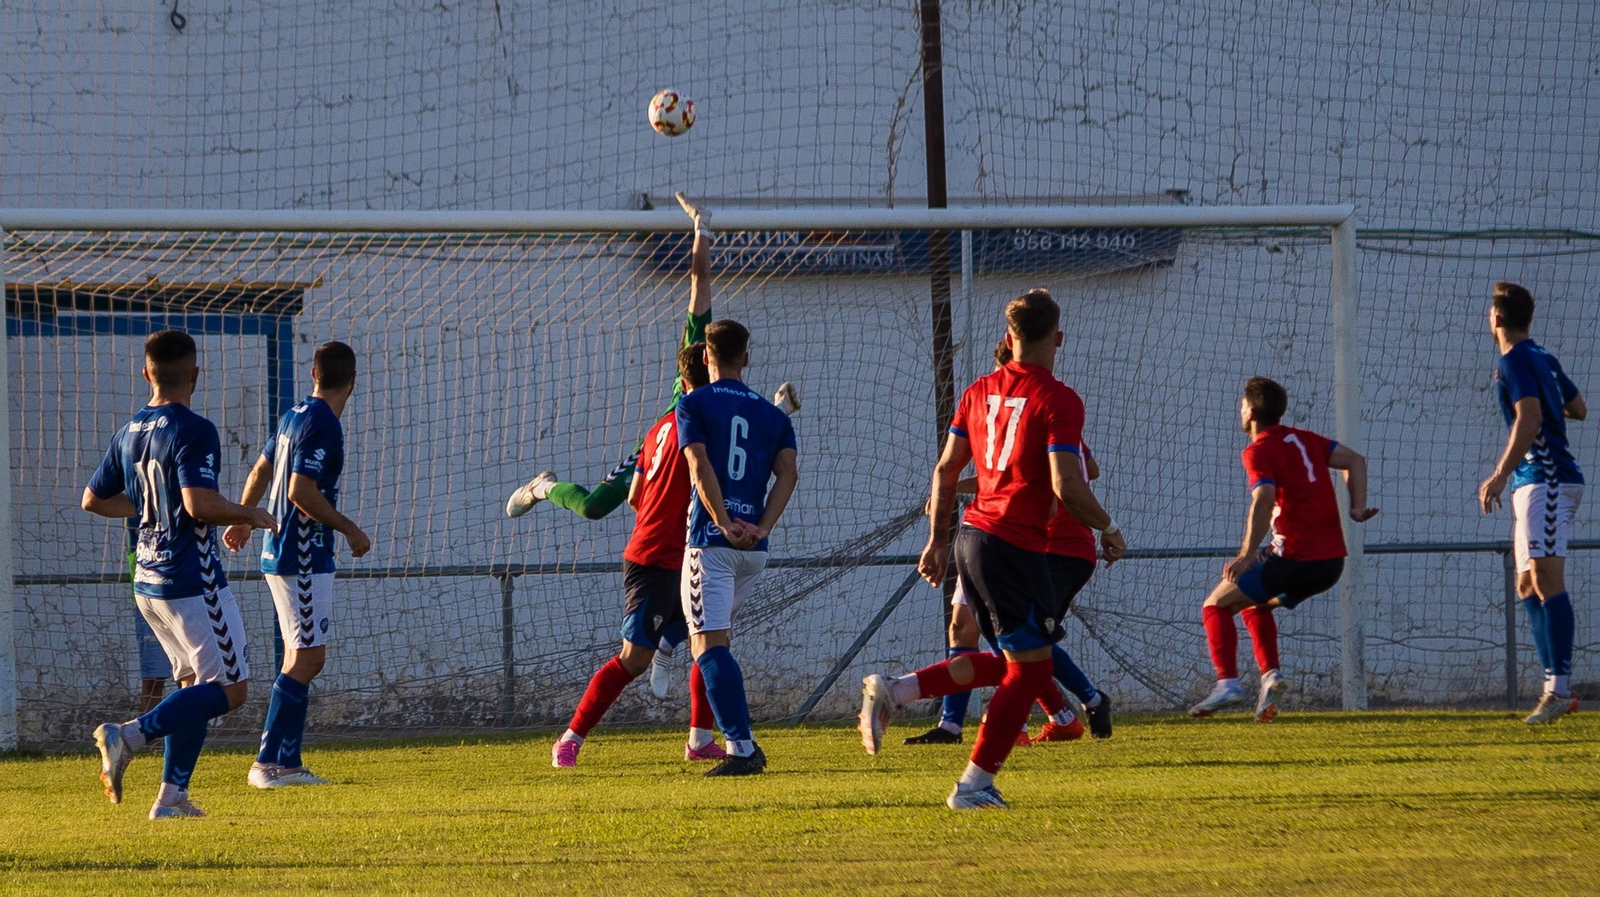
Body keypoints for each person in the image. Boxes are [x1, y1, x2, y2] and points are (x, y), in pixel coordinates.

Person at [859, 289, 1127, 810]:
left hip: (971, 538)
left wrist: (938, 541)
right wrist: (1109, 527)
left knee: (1013, 662)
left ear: (1009, 338)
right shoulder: (1060, 399)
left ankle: (897, 690)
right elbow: (1069, 483)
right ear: (1059, 339)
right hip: (1014, 546)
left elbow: (945, 472)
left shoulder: (979, 390)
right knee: (1028, 670)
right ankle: (974, 785)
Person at [551, 215, 727, 768]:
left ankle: (699, 739)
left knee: (712, 642)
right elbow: (698, 291)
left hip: (689, 547)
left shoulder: (706, 410)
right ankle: (571, 738)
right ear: (701, 365)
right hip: (656, 556)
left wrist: (702, 237)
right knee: (633, 657)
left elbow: (701, 285)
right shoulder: (684, 416)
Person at [84, 330, 277, 819]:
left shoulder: (128, 431)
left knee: (193, 690)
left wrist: (151, 508)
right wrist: (249, 515)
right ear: (195, 374)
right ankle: (126, 735)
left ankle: (172, 798)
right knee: (231, 690)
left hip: (148, 582)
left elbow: (93, 499)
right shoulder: (194, 428)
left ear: (146, 373)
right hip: (192, 582)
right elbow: (198, 504)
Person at [905, 338, 1110, 745]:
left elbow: (1069, 473)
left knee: (1021, 644)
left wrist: (1106, 524)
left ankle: (1054, 712)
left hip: (1028, 541)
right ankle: (953, 725)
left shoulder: (1037, 409)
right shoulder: (990, 405)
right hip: (986, 535)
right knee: (977, 632)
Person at [223, 341, 371, 787]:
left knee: (301, 657)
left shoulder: (294, 415)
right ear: (353, 380)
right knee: (308, 659)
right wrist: (349, 528)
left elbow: (260, 472)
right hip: (302, 554)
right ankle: (267, 763)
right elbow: (300, 492)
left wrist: (244, 517)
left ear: (313, 374)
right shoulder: (325, 422)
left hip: (283, 550)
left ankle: (287, 763)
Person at [1188, 377, 1376, 721]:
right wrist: (1357, 508)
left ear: (1251, 411)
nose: (1239, 411)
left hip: (1295, 558)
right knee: (1253, 605)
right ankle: (1270, 676)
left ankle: (1227, 683)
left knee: (1215, 605)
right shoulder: (1304, 439)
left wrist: (1246, 555)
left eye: (1242, 405)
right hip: (1331, 564)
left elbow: (1263, 497)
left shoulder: (1258, 450)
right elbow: (1356, 461)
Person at [676, 318, 799, 776]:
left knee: (707, 647)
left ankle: (742, 749)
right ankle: (709, 739)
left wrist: (723, 522)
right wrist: (761, 526)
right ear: (746, 357)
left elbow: (698, 463)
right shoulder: (772, 415)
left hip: (712, 542)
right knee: (717, 642)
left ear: (706, 357)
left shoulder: (694, 403)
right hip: (754, 551)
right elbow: (788, 474)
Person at [1476, 281, 1585, 724]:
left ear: (1497, 318)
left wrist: (1499, 474)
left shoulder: (1515, 360)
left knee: (1545, 577)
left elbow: (1531, 415)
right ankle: (1550, 686)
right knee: (1526, 585)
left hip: (1548, 480)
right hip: (1534, 482)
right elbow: (1578, 408)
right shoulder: (1543, 358)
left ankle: (1559, 688)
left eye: (1489, 311)